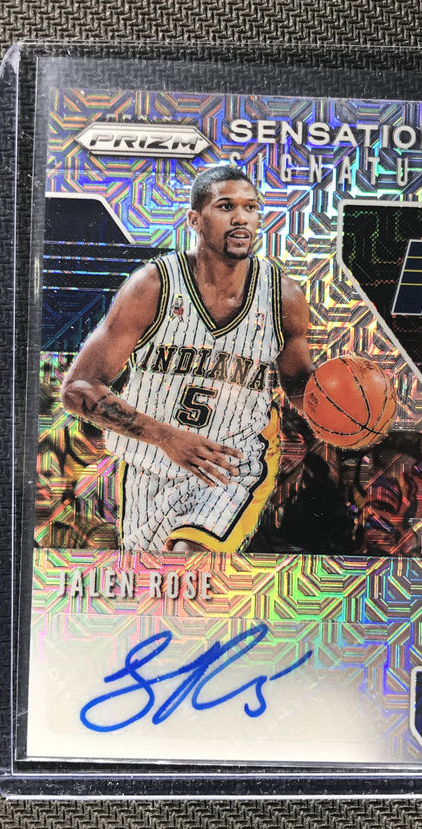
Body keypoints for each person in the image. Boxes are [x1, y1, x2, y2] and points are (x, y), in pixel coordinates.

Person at [61, 165, 314, 553]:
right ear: (195, 220)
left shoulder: (283, 296)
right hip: (149, 463)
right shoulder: (153, 286)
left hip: (233, 467)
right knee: (156, 583)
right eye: (226, 206)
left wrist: (339, 408)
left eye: (250, 207)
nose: (241, 218)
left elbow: (299, 385)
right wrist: (165, 437)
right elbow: (78, 389)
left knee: (189, 561)